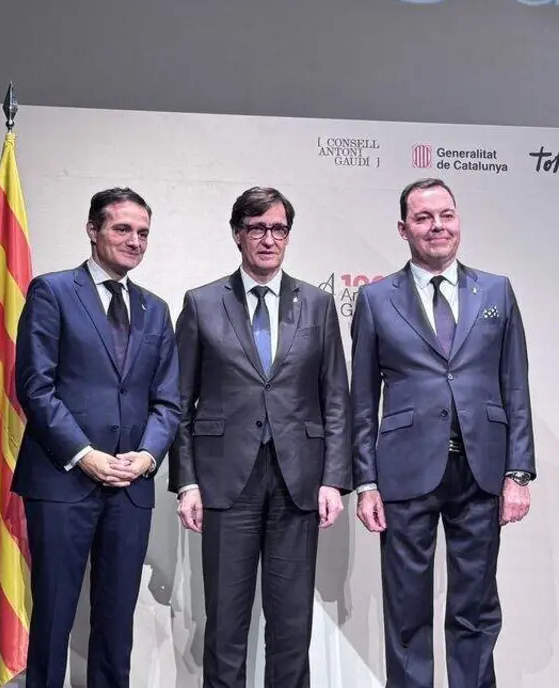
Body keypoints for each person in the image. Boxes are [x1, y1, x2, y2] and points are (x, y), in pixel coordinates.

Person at [350, 177, 535, 688]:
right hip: (405, 472)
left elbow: (514, 386)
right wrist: (365, 482)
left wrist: (518, 472)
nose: (438, 226)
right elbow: (361, 401)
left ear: (458, 221)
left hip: (482, 472)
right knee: (407, 613)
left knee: (475, 608)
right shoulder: (374, 299)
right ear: (404, 228)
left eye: (446, 215)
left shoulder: (496, 290)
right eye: (425, 217)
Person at [170, 186, 352, 688]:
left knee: (292, 627)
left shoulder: (317, 305)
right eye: (257, 228)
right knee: (226, 625)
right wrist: (187, 484)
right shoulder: (202, 303)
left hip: (299, 482)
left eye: (278, 229)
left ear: (288, 236)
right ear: (237, 235)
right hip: (226, 483)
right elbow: (179, 404)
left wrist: (334, 478)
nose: (268, 239)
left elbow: (336, 396)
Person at [12, 187, 180, 688]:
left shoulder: (156, 309)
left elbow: (168, 401)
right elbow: (35, 388)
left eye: (143, 233)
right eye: (122, 229)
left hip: (131, 488)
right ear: (93, 230)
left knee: (115, 622)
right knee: (54, 616)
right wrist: (84, 455)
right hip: (63, 482)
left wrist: (148, 456)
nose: (135, 241)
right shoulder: (52, 291)